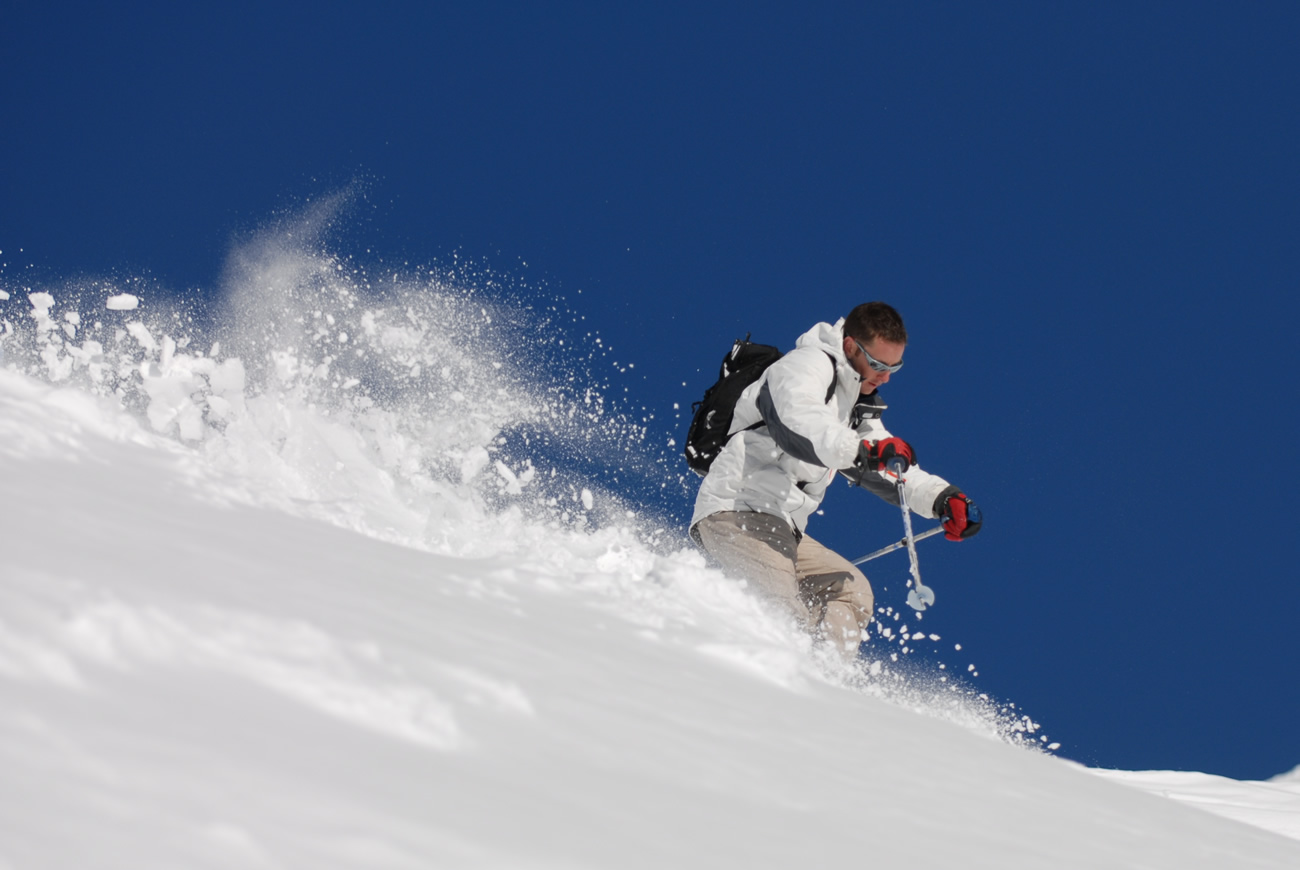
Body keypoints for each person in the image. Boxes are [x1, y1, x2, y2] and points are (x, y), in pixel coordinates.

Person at [690, 302, 981, 659]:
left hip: (783, 526)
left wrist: (941, 498)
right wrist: (859, 450)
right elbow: (798, 420)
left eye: (894, 368)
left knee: (851, 592)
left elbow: (888, 464)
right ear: (850, 346)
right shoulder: (804, 366)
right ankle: (783, 676)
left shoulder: (853, 406)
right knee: (782, 619)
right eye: (878, 365)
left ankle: (828, 672)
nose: (885, 378)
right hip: (738, 511)